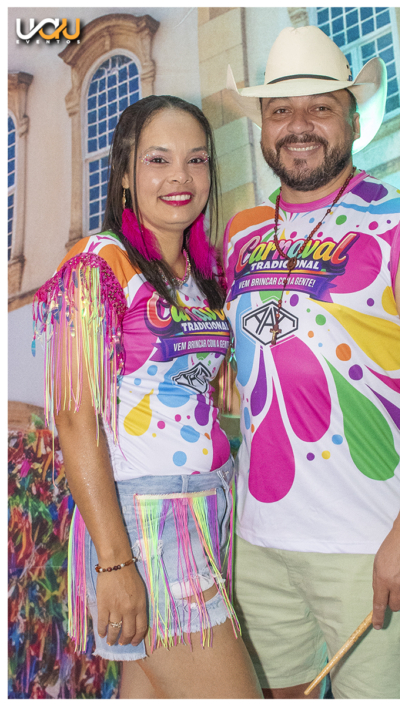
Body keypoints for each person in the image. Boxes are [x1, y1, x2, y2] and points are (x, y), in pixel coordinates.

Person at [223, 26, 400, 699]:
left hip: (366, 543)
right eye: (280, 110)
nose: (298, 125)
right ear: (262, 127)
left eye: (320, 107)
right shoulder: (241, 233)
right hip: (257, 544)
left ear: (354, 120)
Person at [33, 95, 262, 699]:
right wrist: (116, 561)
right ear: (126, 175)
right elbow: (76, 419)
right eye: (159, 159)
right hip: (148, 523)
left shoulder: (198, 274)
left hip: (207, 507)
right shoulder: (97, 264)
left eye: (197, 159)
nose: (180, 177)